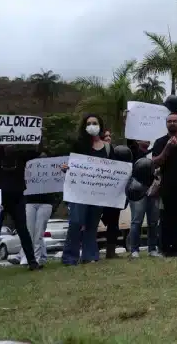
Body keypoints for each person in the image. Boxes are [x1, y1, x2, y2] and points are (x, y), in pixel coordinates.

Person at [61, 114, 112, 266]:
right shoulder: (78, 144)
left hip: (97, 193)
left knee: (92, 224)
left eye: (94, 123)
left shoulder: (108, 147)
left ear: (100, 125)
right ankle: (70, 257)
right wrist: (67, 169)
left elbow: (113, 168)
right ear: (84, 126)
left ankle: (90, 256)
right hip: (79, 191)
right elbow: (72, 164)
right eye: (89, 123)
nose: (92, 125)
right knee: (76, 222)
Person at [0, 144, 42, 270]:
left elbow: (37, 150)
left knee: (23, 230)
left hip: (17, 197)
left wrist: (37, 133)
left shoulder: (21, 154)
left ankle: (32, 262)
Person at [152, 112, 177, 257]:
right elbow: (155, 162)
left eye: (175, 121)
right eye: (169, 121)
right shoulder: (160, 142)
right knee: (166, 217)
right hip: (167, 186)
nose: (172, 123)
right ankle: (165, 248)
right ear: (166, 124)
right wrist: (167, 148)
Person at [127, 139, 160, 259]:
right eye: (141, 138)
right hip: (137, 189)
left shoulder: (156, 151)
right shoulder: (132, 151)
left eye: (147, 138)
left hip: (154, 189)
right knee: (136, 221)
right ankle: (134, 250)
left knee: (153, 221)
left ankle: (152, 249)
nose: (145, 140)